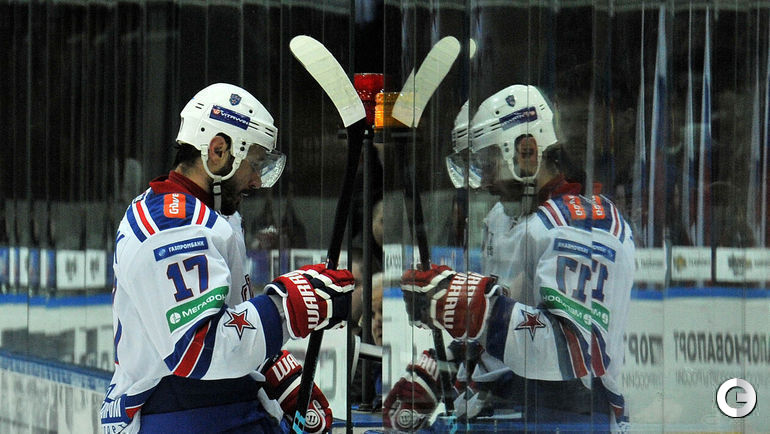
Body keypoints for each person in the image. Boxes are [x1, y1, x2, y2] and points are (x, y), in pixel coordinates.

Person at [100, 83, 354, 434]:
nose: (257, 180)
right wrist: (286, 308)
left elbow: (229, 315)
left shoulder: (205, 215)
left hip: (213, 409)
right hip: (185, 417)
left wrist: (272, 369)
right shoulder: (173, 226)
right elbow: (198, 348)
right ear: (218, 151)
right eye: (255, 164)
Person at [386, 84, 634, 431]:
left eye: (488, 163)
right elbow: (498, 335)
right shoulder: (502, 219)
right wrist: (436, 371)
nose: (483, 182)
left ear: (527, 151)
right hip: (505, 405)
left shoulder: (586, 224)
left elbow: (572, 352)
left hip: (569, 415)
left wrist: (476, 309)